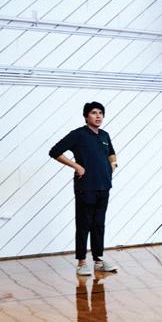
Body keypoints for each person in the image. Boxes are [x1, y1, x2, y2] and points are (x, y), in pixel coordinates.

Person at [49, 102, 119, 277]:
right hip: (86, 187)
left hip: (104, 186)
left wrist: (113, 163)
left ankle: (98, 261)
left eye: (101, 113)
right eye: (94, 112)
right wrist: (76, 166)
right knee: (83, 224)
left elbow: (111, 152)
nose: (98, 116)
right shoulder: (78, 134)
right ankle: (81, 262)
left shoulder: (104, 135)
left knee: (98, 224)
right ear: (86, 116)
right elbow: (54, 151)